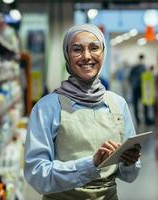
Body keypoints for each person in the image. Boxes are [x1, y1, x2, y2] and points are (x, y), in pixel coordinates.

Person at [24, 24, 141, 200]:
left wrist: (129, 162)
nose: (87, 56)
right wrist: (91, 164)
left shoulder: (118, 104)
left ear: (103, 52)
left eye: (94, 48)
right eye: (77, 49)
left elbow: (129, 176)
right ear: (67, 56)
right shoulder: (47, 107)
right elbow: (37, 175)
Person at [128, 54, 151, 125]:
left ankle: (142, 120)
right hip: (139, 88)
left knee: (141, 104)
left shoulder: (141, 67)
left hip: (139, 88)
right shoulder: (140, 67)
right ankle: (141, 120)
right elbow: (130, 77)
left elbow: (130, 77)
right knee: (140, 104)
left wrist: (132, 84)